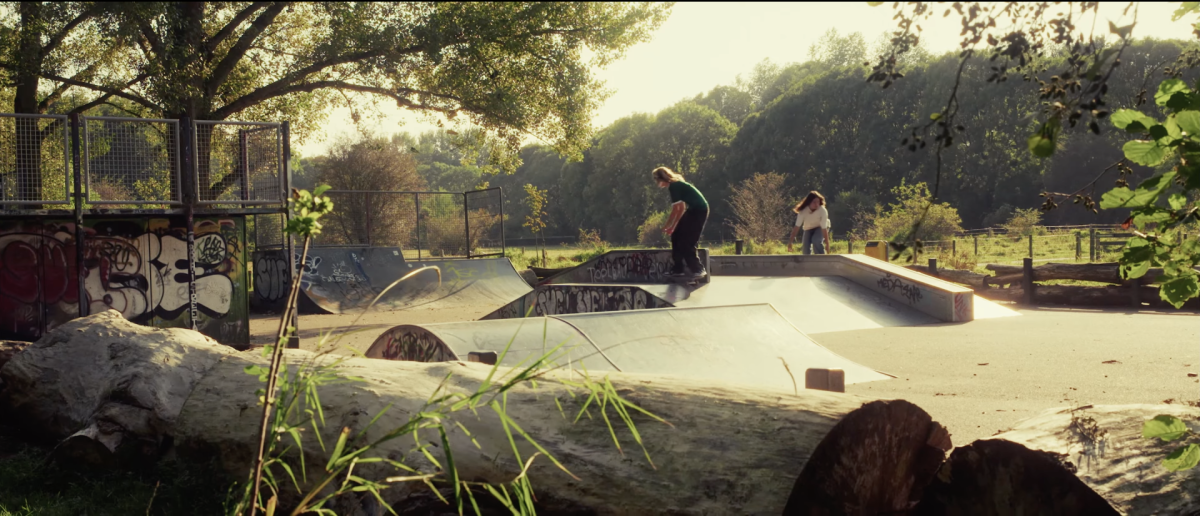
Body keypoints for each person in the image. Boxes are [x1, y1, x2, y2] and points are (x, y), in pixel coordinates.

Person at [653, 166, 708, 278]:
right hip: (692, 210)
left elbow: (675, 210)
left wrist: (667, 225)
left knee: (687, 241)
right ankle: (678, 269)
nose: (656, 182)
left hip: (699, 211)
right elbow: (681, 208)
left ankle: (698, 269)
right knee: (676, 236)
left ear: (660, 179)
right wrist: (673, 228)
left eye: (656, 179)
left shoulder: (674, 186)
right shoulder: (676, 185)